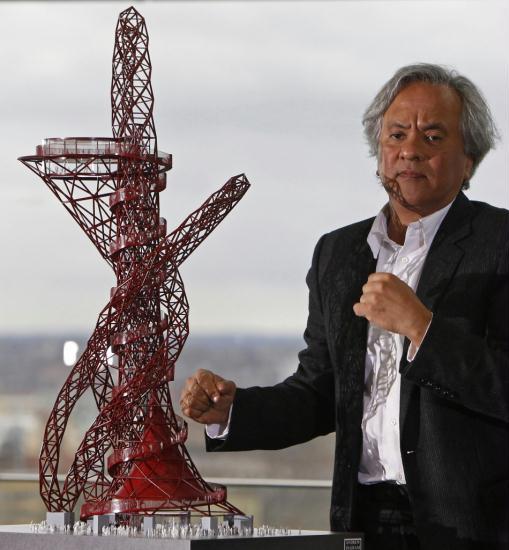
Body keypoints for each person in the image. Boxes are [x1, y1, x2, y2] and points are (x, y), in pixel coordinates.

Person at [179, 63, 509, 550]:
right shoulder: (338, 253)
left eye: (433, 137)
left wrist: (423, 329)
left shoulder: (500, 243)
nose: (410, 150)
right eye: (396, 134)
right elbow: (319, 393)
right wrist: (233, 411)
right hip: (362, 521)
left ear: (470, 161)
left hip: (475, 528)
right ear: (378, 152)